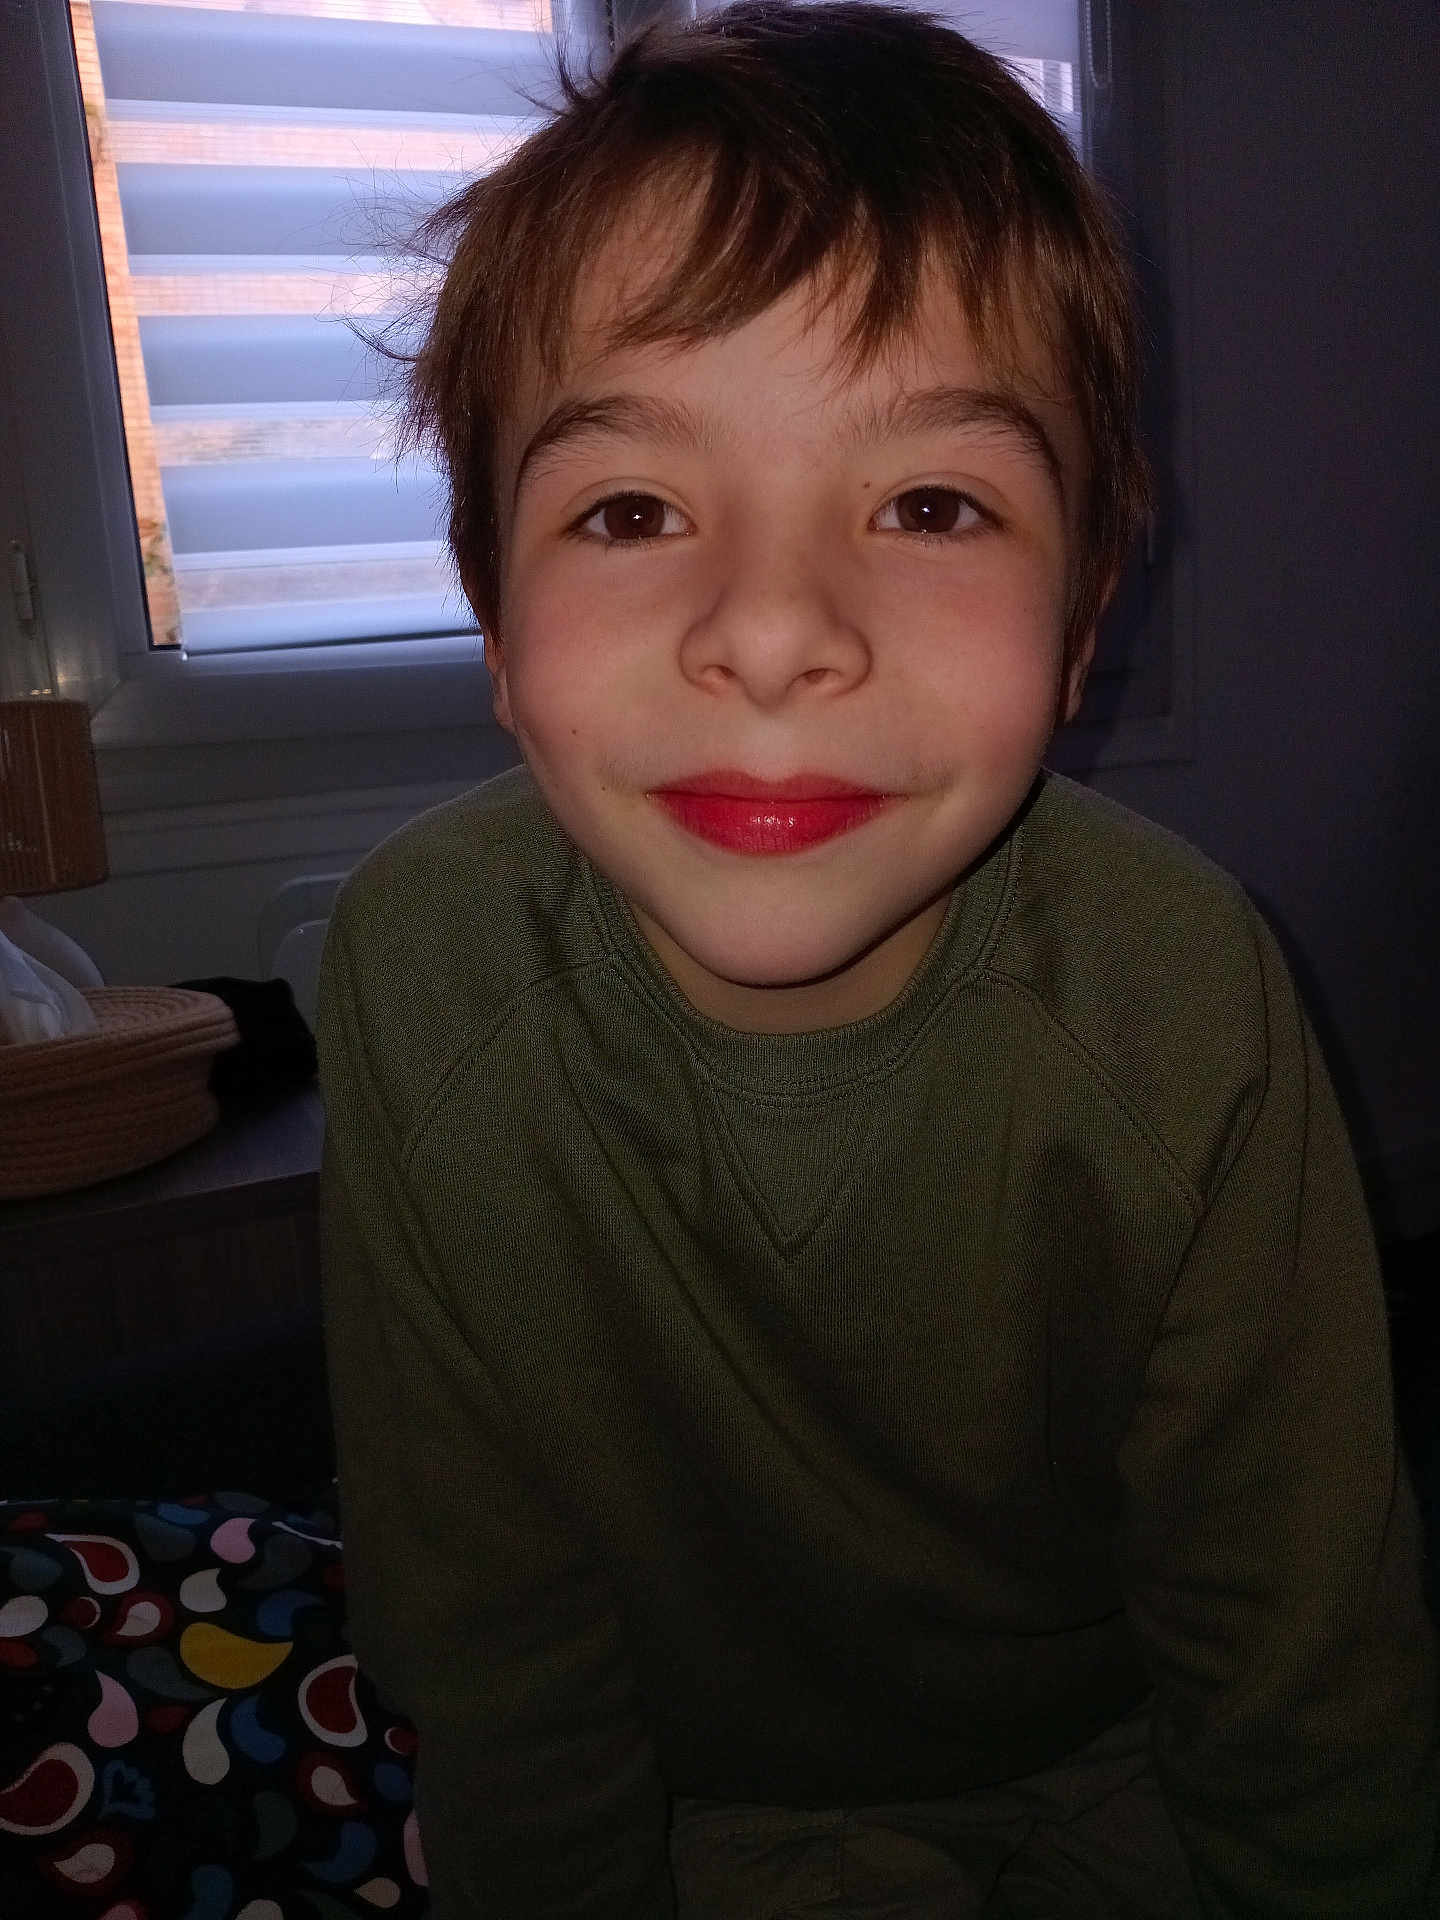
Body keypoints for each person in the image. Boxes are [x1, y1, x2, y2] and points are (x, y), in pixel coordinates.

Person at [314, 5, 1439, 1914]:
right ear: (496, 633)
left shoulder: (1182, 994)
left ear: (1083, 626)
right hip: (682, 1833)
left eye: (929, 505)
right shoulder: (425, 975)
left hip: (1116, 1790)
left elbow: (1299, 1671)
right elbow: (496, 1657)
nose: (770, 633)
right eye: (632, 509)